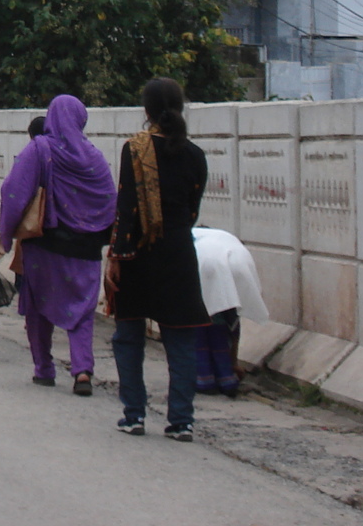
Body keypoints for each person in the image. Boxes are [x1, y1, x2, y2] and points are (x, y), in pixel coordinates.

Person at [108, 77, 211, 441]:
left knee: (129, 334)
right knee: (180, 340)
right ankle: (181, 421)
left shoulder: (134, 149)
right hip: (179, 251)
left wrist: (117, 255)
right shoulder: (195, 155)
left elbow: (125, 208)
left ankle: (134, 414)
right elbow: (193, 209)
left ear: (147, 110)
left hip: (136, 252)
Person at [0, 94, 115, 396]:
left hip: (45, 244)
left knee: (38, 306)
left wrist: (6, 234)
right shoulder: (95, 157)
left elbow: (15, 191)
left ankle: (44, 368)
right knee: (83, 311)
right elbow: (109, 199)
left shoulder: (41, 149)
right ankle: (83, 371)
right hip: (86, 250)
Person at [192, 226, 268, 397]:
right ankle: (227, 377)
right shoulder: (224, 237)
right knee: (227, 320)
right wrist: (234, 361)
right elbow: (234, 325)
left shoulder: (192, 236)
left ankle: (204, 378)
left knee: (198, 323)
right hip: (238, 261)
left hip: (203, 264)